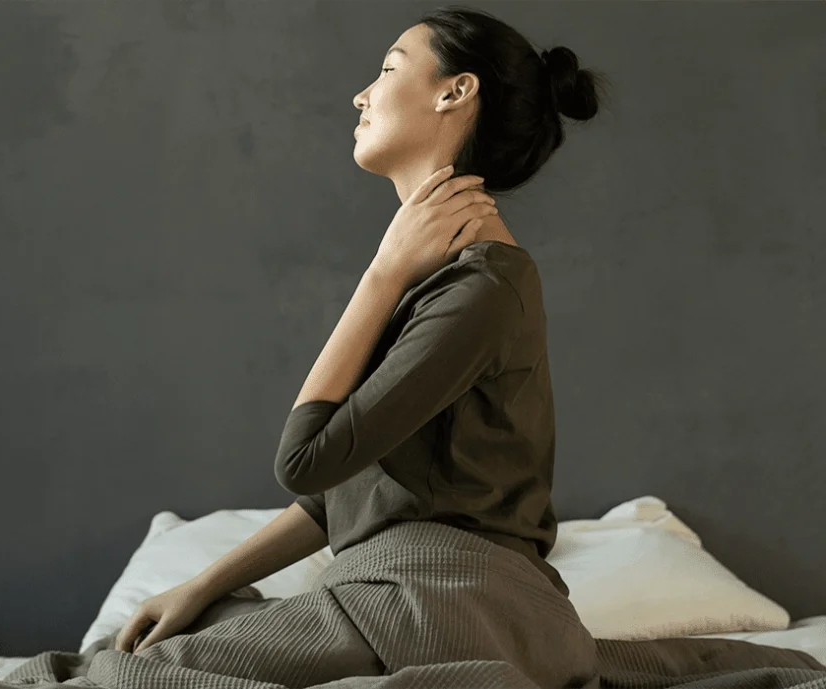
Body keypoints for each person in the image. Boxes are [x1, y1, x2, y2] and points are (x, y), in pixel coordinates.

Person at [115, 5, 611, 688]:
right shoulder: (443, 276)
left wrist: (381, 273)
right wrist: (199, 585)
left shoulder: (484, 287)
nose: (362, 93)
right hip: (402, 589)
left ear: (455, 91)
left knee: (132, 677)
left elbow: (304, 459)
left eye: (387, 69)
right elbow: (340, 491)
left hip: (451, 595)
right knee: (185, 630)